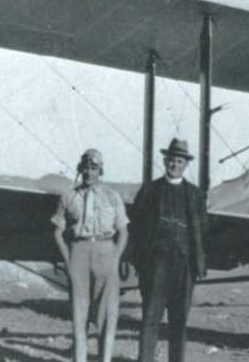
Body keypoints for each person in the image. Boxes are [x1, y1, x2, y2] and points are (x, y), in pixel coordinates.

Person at [131, 137, 208, 362]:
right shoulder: (150, 190)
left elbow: (202, 229)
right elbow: (136, 225)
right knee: (150, 319)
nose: (175, 165)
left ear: (186, 164)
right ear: (165, 161)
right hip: (156, 265)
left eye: (180, 161)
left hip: (184, 267)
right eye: (172, 160)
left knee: (179, 321)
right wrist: (141, 262)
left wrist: (197, 263)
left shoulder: (195, 195)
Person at [52, 148, 129, 362]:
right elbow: (57, 232)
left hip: (106, 251)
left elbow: (123, 232)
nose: (89, 172)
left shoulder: (112, 197)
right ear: (80, 168)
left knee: (107, 314)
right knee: (79, 314)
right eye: (85, 167)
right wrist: (68, 260)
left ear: (100, 170)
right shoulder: (69, 196)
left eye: (93, 168)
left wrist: (116, 259)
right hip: (79, 251)